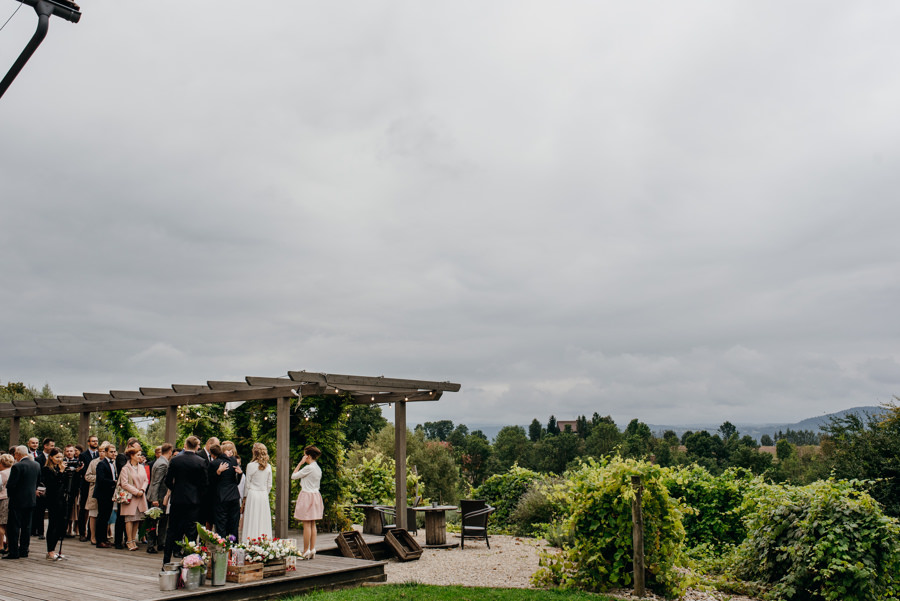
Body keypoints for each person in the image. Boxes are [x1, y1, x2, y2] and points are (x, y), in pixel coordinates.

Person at [162, 436, 208, 565]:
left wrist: (175, 489)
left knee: (172, 530)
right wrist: (198, 495)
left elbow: (167, 480)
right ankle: (190, 562)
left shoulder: (176, 460)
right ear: (197, 446)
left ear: (185, 445)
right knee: (191, 532)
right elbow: (205, 484)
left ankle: (166, 560)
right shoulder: (201, 461)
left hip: (177, 499)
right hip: (193, 501)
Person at [3, 445, 41, 559]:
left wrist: (11, 495)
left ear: (18, 454)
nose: (15, 456)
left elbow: (11, 485)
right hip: (30, 500)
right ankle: (24, 550)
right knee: (27, 527)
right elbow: (38, 481)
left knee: (14, 527)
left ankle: (14, 552)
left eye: (15, 454)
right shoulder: (36, 465)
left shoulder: (17, 466)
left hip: (17, 501)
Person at [291, 445, 323, 559]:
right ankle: (312, 549)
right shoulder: (318, 468)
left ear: (308, 456)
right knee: (312, 523)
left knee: (306, 524)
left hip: (307, 496)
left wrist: (300, 463)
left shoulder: (308, 468)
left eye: (304, 455)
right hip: (316, 495)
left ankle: (305, 551)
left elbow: (293, 476)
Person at [208, 442, 242, 539]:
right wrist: (240, 474)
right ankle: (233, 548)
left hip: (221, 497)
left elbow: (210, 482)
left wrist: (217, 472)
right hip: (234, 495)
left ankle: (222, 548)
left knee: (221, 525)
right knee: (234, 524)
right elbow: (236, 482)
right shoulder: (233, 461)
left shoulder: (213, 463)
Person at [118, 446, 148, 551]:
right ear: (132, 456)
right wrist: (136, 491)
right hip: (131, 497)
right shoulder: (125, 468)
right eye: (138, 455)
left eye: (140, 455)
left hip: (140, 496)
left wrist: (142, 490)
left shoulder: (141, 467)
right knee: (129, 519)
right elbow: (124, 484)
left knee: (137, 519)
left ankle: (134, 539)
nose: (140, 457)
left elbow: (146, 480)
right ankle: (129, 540)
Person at [242, 443, 273, 541]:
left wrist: (245, 497)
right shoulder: (268, 467)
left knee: (252, 518)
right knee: (263, 518)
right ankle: (263, 541)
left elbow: (247, 484)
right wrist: (264, 493)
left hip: (253, 494)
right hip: (263, 494)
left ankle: (250, 540)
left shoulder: (251, 465)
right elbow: (269, 484)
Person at [41, 448, 67, 559]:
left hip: (62, 499)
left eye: (61, 457)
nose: (59, 459)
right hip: (52, 499)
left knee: (60, 525)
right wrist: (61, 472)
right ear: (51, 457)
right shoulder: (47, 469)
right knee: (53, 524)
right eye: (57, 457)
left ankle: (54, 549)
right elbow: (53, 485)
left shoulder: (59, 467)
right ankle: (50, 550)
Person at [83, 441, 110, 545]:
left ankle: (104, 536)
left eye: (104, 451)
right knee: (93, 514)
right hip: (94, 490)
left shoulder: (111, 463)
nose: (102, 453)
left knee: (104, 514)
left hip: (106, 492)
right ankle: (93, 536)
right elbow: (87, 476)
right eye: (100, 451)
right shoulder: (94, 462)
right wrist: (99, 478)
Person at [146, 443, 172, 553]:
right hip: (159, 497)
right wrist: (155, 498)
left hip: (161, 496)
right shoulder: (162, 464)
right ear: (170, 451)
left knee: (163, 521)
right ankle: (151, 545)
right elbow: (156, 482)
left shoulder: (162, 461)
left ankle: (161, 543)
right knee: (154, 521)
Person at [93, 444, 118, 548]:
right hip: (102, 494)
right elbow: (101, 480)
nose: (113, 453)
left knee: (107, 516)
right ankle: (99, 540)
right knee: (102, 517)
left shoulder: (113, 463)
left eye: (114, 451)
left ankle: (105, 538)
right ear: (106, 452)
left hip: (109, 493)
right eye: (111, 452)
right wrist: (114, 482)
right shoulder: (101, 464)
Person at [77, 436, 100, 541]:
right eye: (93, 441)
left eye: (96, 441)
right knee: (83, 509)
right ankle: (82, 533)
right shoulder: (83, 455)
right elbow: (82, 470)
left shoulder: (99, 455)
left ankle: (92, 533)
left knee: (93, 510)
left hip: (96, 486)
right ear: (88, 442)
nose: (95, 443)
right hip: (86, 485)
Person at [0, 453, 14, 555]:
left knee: (1, 524)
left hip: (2, 499)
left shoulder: (1, 474)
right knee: (8, 524)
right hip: (10, 499)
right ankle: (9, 545)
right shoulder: (13, 471)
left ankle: (0, 545)